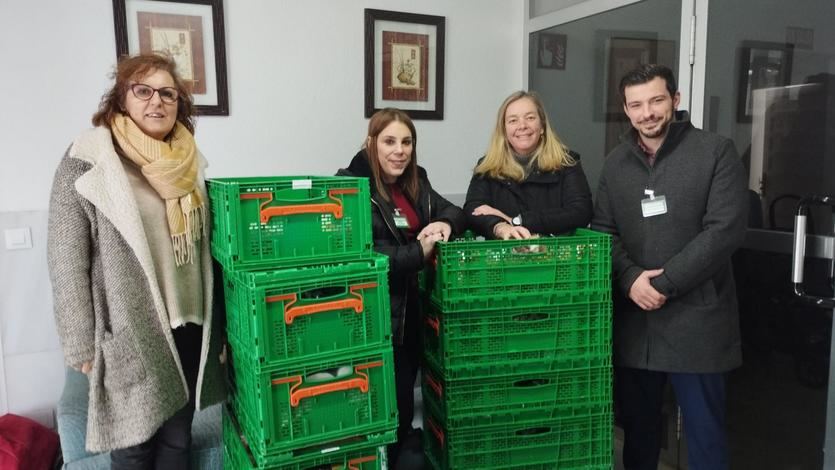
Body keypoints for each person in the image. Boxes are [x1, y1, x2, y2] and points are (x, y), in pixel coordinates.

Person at [47, 53, 225, 469]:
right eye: (142, 91)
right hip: (131, 326)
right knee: (134, 443)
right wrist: (77, 339)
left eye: (168, 93)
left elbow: (208, 249)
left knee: (178, 439)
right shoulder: (87, 160)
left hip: (190, 322)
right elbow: (66, 258)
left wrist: (221, 335)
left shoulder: (188, 162)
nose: (156, 102)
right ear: (121, 99)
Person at [591, 64, 748, 470]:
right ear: (626, 110)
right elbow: (603, 232)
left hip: (698, 322)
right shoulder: (614, 164)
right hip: (636, 324)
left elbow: (724, 231)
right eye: (636, 104)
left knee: (705, 436)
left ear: (675, 101)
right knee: (639, 437)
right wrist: (629, 280)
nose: (647, 113)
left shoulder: (716, 151)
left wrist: (663, 283)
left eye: (656, 100)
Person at [337, 108, 464, 469]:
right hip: (370, 320)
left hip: (409, 321)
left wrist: (442, 223)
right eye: (390, 141)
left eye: (407, 142)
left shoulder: (416, 182)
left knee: (404, 411)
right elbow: (358, 255)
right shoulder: (350, 185)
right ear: (371, 143)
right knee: (376, 417)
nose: (400, 150)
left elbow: (456, 210)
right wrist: (417, 253)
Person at [464, 90, 592, 240]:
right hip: (503, 258)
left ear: (542, 126)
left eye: (530, 118)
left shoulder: (567, 162)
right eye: (513, 120)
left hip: (557, 258)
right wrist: (500, 226)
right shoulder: (487, 166)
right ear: (504, 131)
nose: (522, 126)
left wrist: (517, 221)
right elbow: (473, 211)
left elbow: (581, 212)